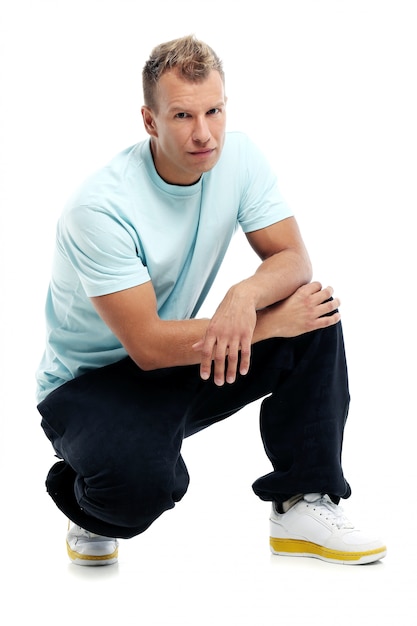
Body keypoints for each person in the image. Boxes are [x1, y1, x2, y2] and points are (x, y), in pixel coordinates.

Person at [36, 34, 386, 567]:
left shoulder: (238, 156)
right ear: (150, 121)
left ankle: (302, 501)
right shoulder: (100, 208)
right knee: (143, 488)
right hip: (89, 387)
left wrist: (243, 295)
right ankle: (84, 491)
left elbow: (293, 258)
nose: (204, 134)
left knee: (312, 313)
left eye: (213, 111)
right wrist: (264, 324)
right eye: (181, 116)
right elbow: (149, 345)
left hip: (180, 364)